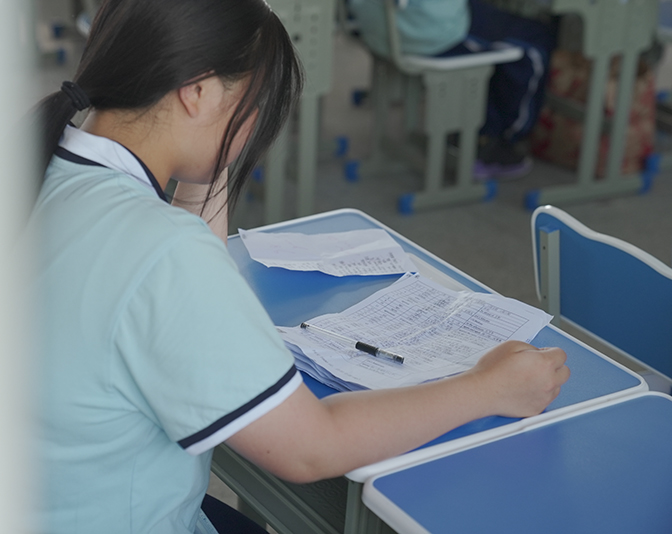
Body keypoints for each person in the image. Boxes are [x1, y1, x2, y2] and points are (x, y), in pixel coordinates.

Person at [28, 0, 570, 533]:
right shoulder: (163, 250)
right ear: (198, 92)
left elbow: (182, 276)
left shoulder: (36, 167)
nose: (253, 129)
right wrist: (487, 387)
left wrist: (206, 149)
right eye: (254, 104)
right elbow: (309, 448)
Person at [349, 0, 558, 180]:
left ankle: (477, 129)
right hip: (425, 29)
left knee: (498, 24)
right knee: (534, 39)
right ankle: (495, 143)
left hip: (375, 23)